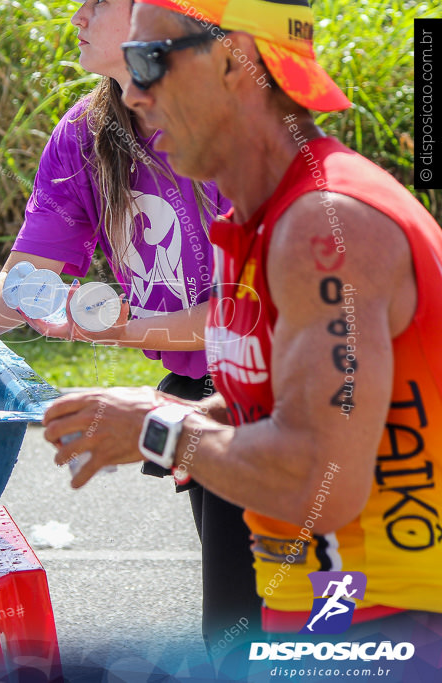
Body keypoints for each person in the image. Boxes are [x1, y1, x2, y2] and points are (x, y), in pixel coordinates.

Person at [44, 0, 442, 676]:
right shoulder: (253, 221)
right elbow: (292, 402)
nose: (132, 92)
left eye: (149, 62)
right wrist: (176, 414)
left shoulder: (324, 228)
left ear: (235, 59)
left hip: (394, 634)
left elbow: (321, 473)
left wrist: (156, 428)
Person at [0, 0, 259, 657]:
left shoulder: (231, 123)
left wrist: (116, 330)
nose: (76, 15)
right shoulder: (87, 131)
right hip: (201, 396)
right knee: (235, 628)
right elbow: (26, 286)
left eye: (96, 2)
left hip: (273, 392)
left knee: (249, 629)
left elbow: (251, 314)